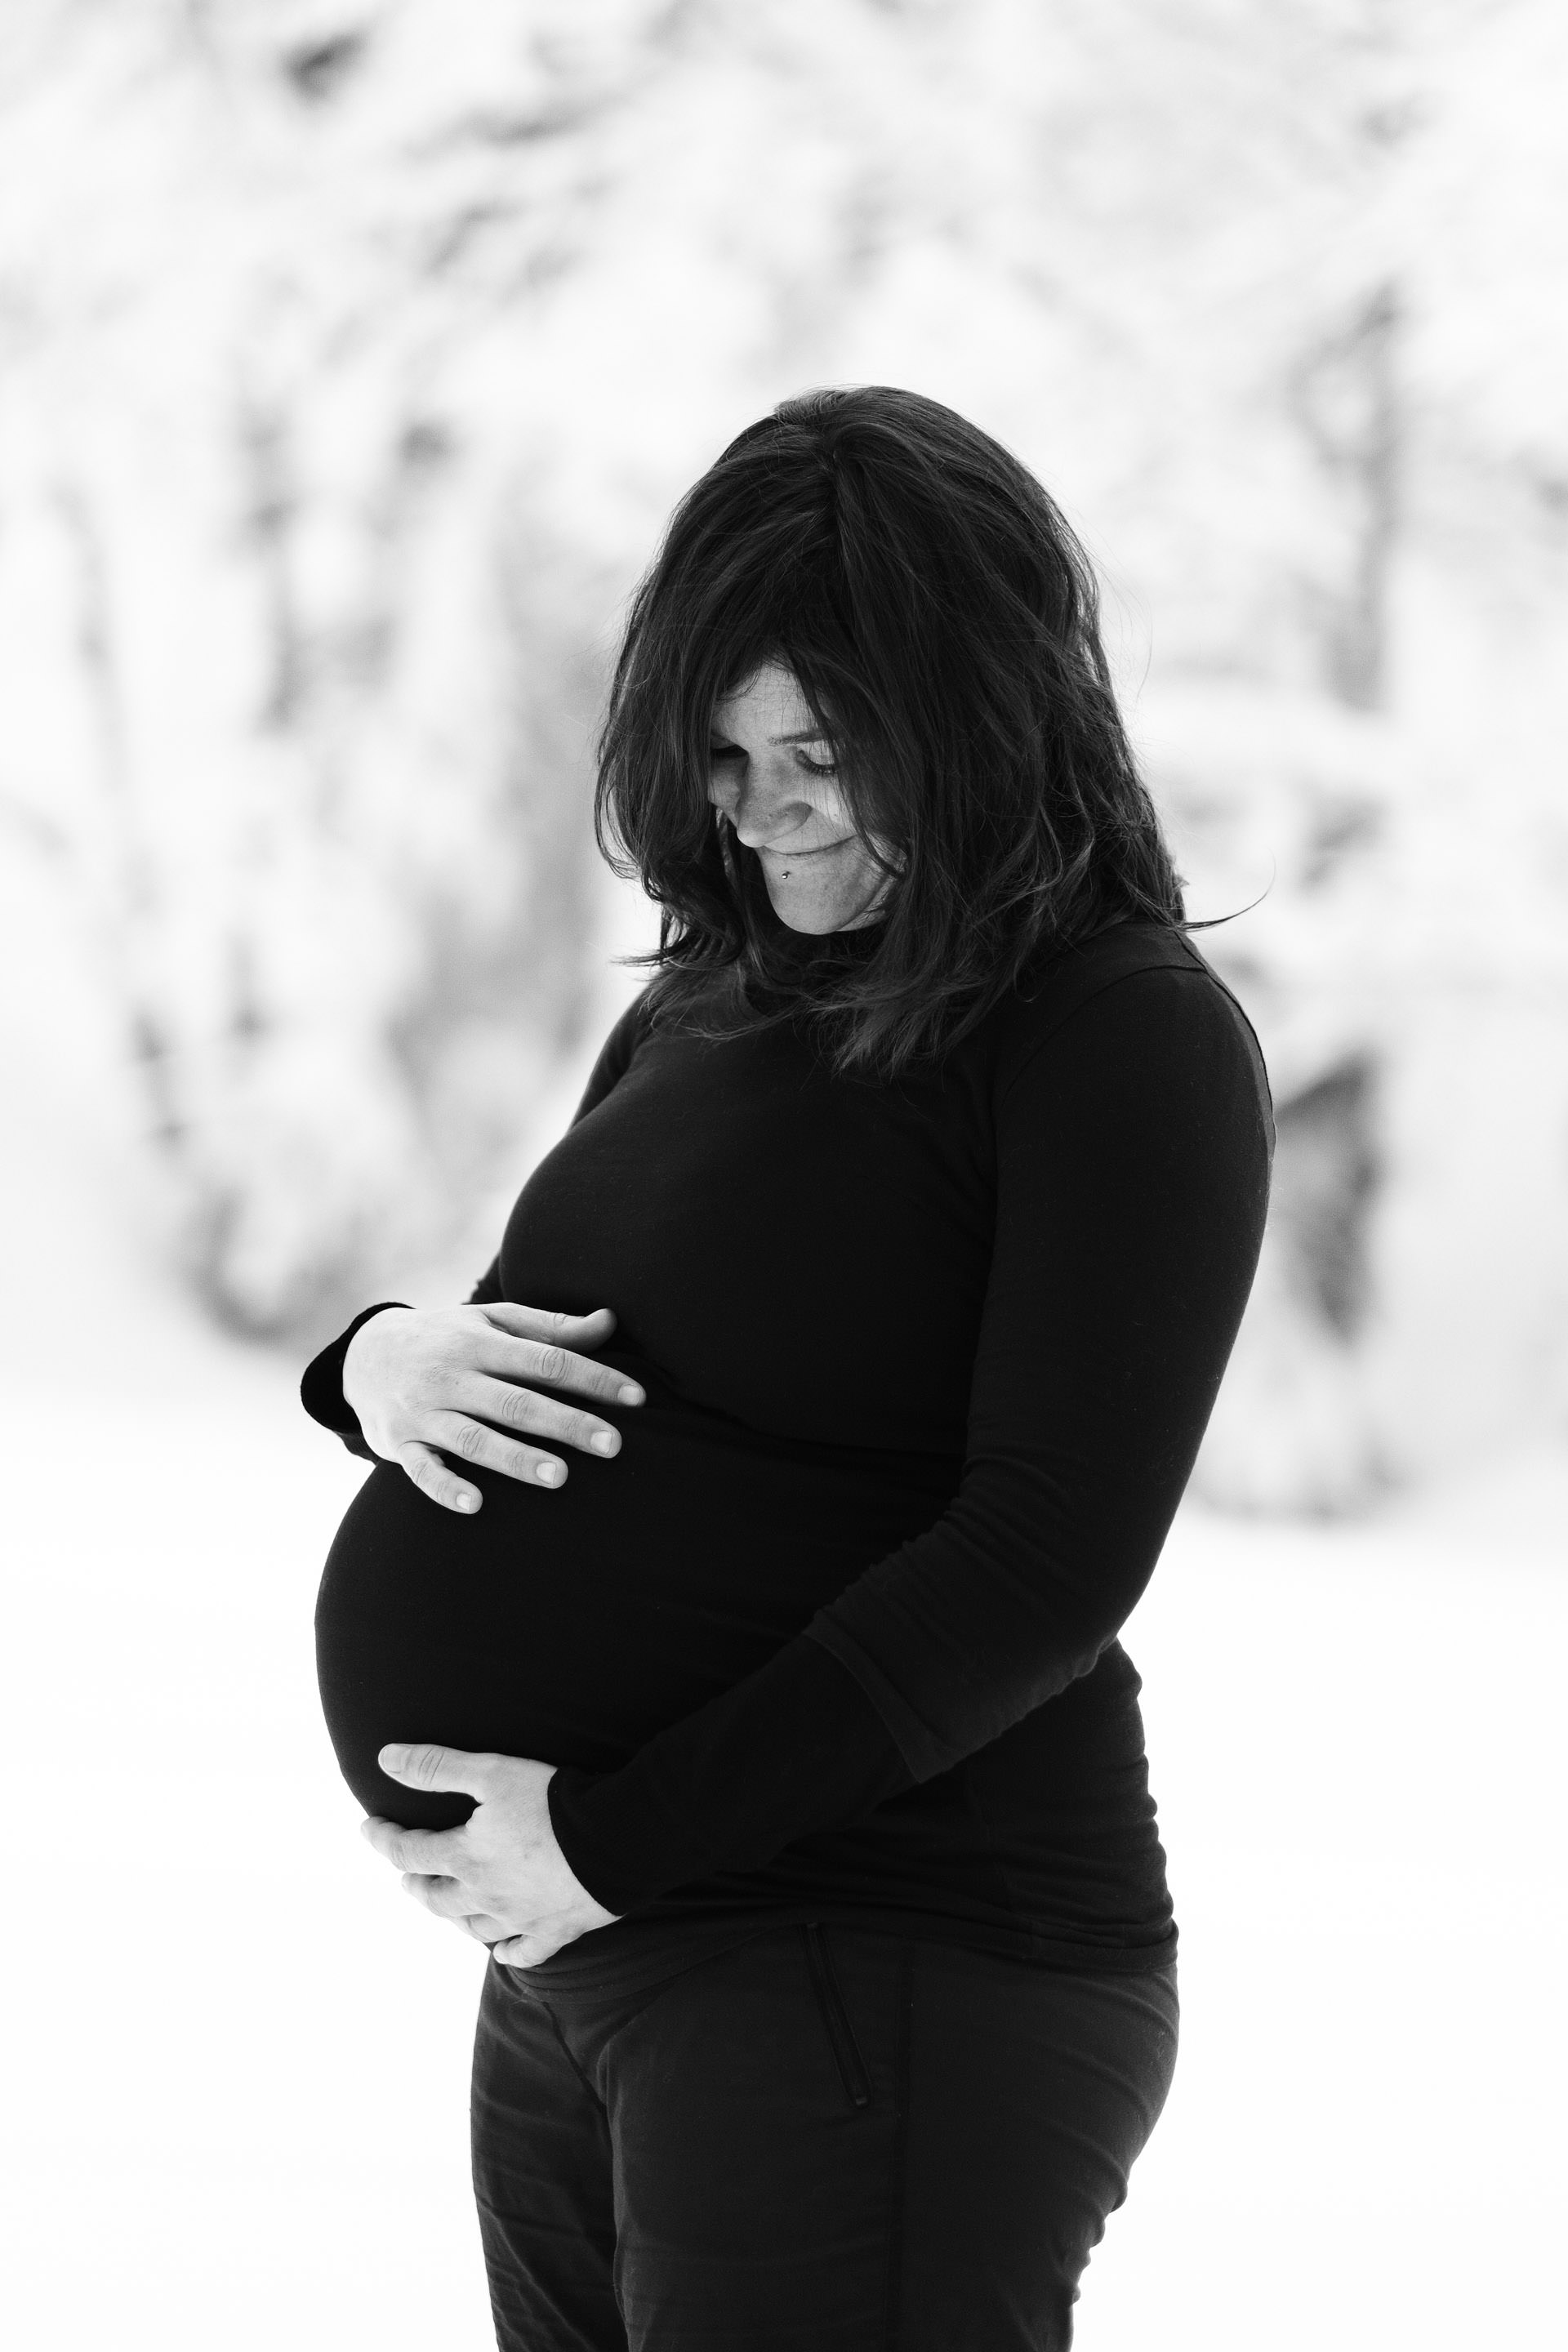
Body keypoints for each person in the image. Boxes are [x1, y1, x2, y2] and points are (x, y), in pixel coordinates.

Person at [301, 385, 1272, 2351]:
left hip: (892, 1955)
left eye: (826, 754)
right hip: (602, 1968)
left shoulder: (1117, 1034)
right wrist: (377, 1364)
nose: (766, 813)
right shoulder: (706, 1003)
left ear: (985, 718)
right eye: (726, 759)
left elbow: (1047, 1558)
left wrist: (606, 1844)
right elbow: (546, 1359)